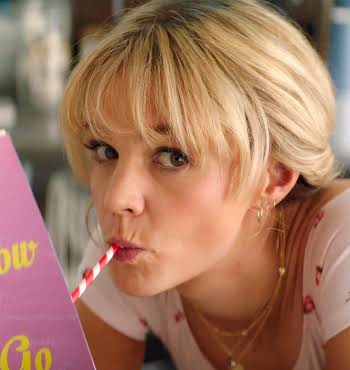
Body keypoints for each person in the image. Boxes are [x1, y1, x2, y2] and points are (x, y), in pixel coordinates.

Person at [60, 0, 350, 369]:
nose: (116, 198)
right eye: (105, 150)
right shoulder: (130, 250)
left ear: (274, 177)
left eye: (173, 157)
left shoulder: (342, 246)